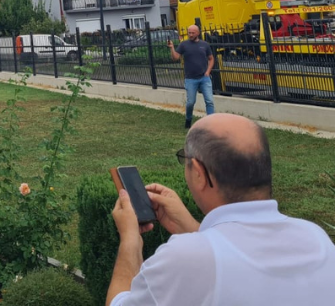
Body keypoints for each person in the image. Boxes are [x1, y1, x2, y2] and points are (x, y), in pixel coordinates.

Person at [106, 113, 335, 305]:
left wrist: (130, 240)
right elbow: (241, 263)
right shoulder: (317, 239)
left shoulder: (183, 259)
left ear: (199, 173)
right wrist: (191, 228)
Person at [168, 25, 214, 128]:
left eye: (193, 33)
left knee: (209, 101)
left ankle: (211, 122)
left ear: (198, 33)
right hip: (190, 79)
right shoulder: (184, 45)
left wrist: (208, 71)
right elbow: (175, 57)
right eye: (189, 33)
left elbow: (211, 58)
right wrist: (172, 48)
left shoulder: (205, 45)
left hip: (204, 78)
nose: (191, 35)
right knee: (190, 102)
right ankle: (188, 119)